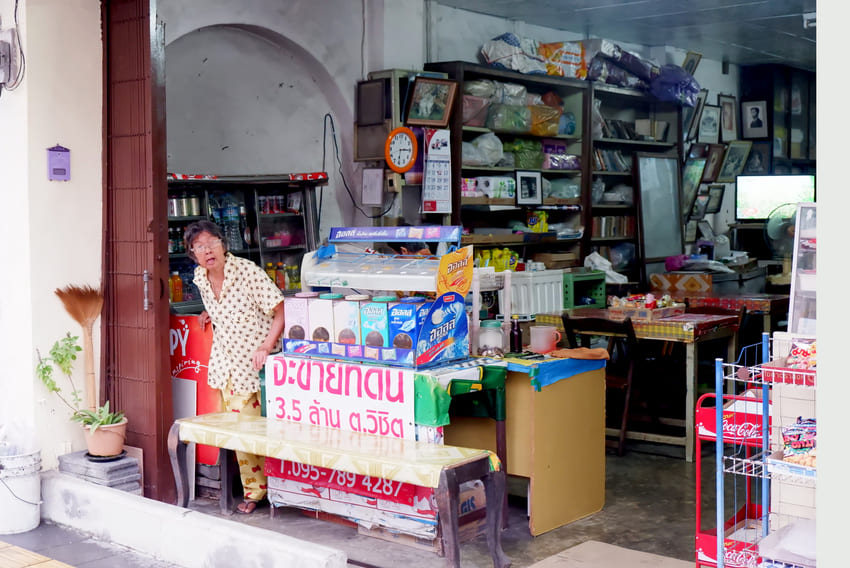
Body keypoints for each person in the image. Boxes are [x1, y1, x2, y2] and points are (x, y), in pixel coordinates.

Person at [184, 220, 285, 514]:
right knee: (238, 432)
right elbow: (223, 306)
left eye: (211, 243)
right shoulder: (200, 278)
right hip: (224, 365)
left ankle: (257, 492)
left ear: (223, 244)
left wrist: (266, 347)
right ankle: (255, 488)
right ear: (193, 253)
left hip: (252, 365)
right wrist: (208, 311)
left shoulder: (247, 272)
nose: (207, 250)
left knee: (249, 431)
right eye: (199, 247)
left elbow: (280, 310)